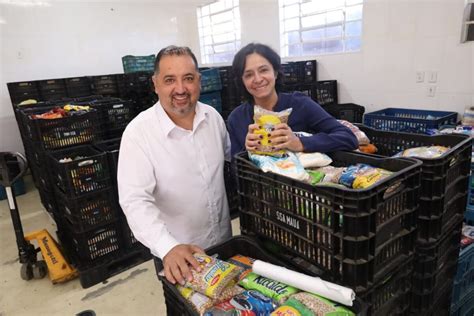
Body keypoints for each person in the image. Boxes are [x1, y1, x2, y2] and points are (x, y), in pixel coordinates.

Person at [117, 45, 232, 286]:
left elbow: (228, 164)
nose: (180, 89)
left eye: (188, 78)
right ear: (155, 84)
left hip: (223, 242)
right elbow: (134, 200)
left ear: (199, 81)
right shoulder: (139, 134)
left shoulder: (214, 119)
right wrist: (167, 247)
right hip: (178, 256)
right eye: (170, 80)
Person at [227, 43, 358, 158]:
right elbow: (235, 168)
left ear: (276, 73)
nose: (258, 79)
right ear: (242, 81)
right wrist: (246, 151)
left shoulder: (299, 104)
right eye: (248, 75)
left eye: (263, 70)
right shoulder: (237, 118)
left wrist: (300, 143)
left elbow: (348, 138)